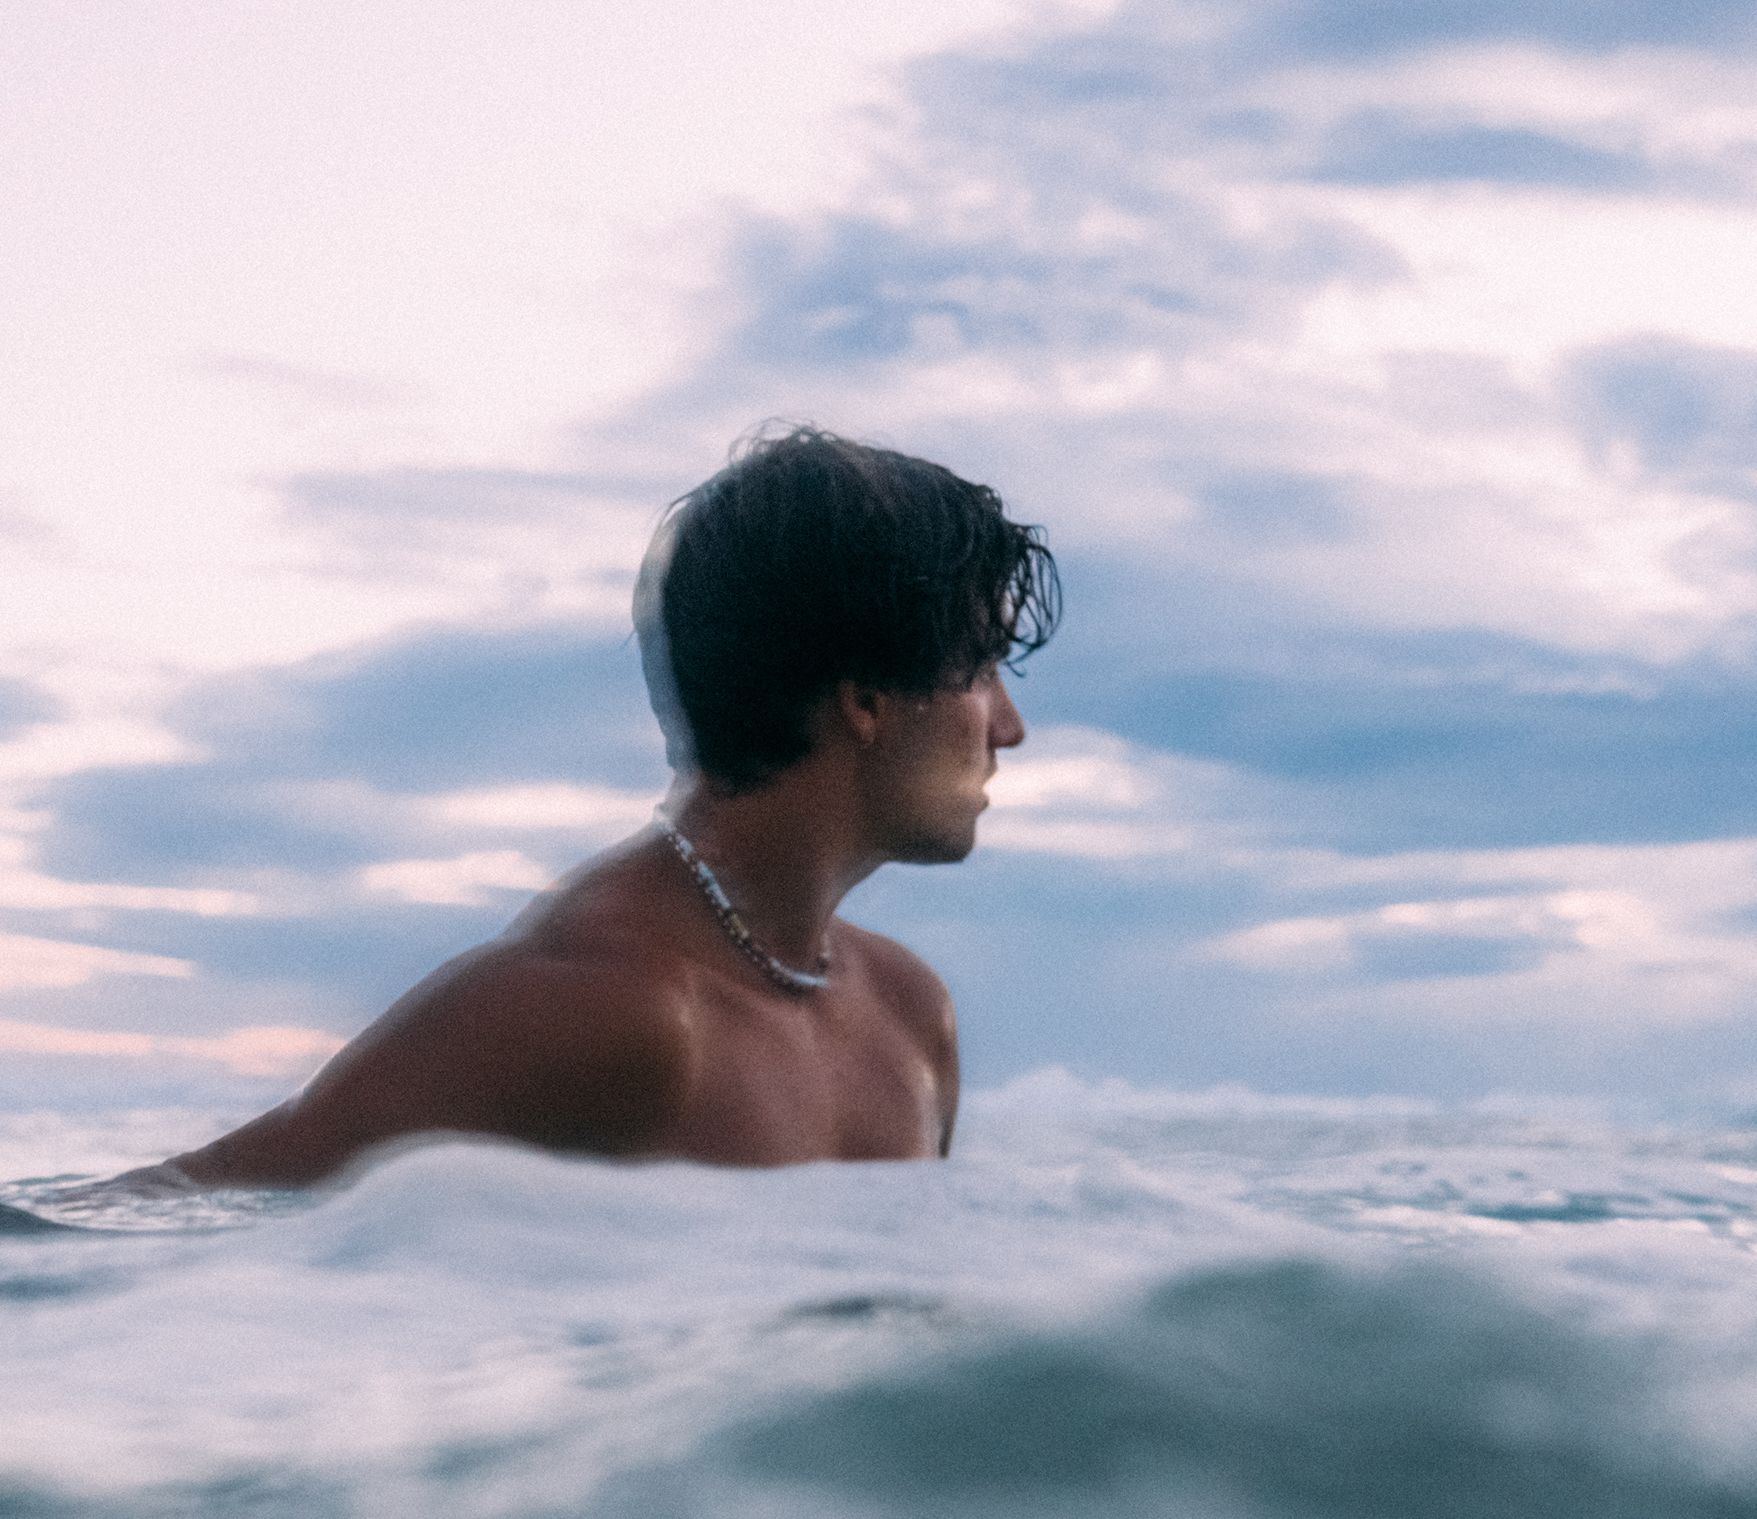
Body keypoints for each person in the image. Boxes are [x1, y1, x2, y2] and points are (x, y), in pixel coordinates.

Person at [103, 427, 1057, 1193]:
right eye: (979, 669)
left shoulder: (909, 1014)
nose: (1007, 727)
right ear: (867, 699)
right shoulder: (607, 1005)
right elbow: (177, 1213)